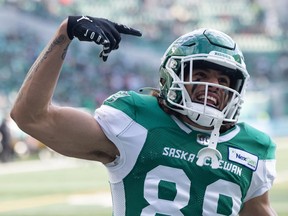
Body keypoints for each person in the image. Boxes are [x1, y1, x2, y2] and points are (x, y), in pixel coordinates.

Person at [10, 16, 277, 215]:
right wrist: (65, 33)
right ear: (172, 77)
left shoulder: (254, 148)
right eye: (200, 75)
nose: (213, 87)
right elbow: (31, 117)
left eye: (223, 80)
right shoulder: (136, 121)